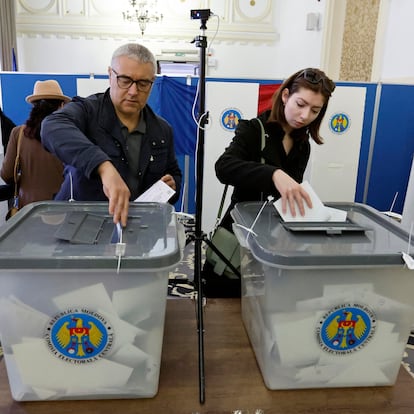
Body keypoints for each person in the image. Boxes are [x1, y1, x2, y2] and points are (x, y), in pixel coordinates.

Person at [204, 67, 336, 297]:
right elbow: (223, 167)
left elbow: (289, 195)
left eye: (315, 110)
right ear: (285, 96)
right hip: (237, 240)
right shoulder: (253, 129)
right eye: (300, 104)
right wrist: (273, 174)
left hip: (273, 244)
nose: (305, 116)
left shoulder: (303, 144)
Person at [41, 43, 182, 227]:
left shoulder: (162, 130)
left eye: (143, 83)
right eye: (125, 80)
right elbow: (51, 126)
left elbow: (174, 172)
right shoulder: (87, 111)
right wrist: (103, 167)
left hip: (135, 232)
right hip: (79, 231)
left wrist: (173, 186)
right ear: (110, 75)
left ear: (152, 82)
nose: (133, 91)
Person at [0, 80, 70, 211]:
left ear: (33, 106)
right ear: (61, 106)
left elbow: (7, 173)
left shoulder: (18, 133)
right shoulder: (70, 132)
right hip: (63, 207)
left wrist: (26, 179)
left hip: (29, 209)